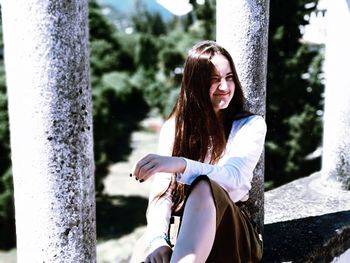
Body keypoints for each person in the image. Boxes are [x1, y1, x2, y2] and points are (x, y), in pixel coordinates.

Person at [130, 40, 266, 263]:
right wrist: (159, 241)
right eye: (214, 80)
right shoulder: (174, 128)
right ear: (195, 84)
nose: (224, 87)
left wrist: (181, 164)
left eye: (229, 77)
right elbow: (162, 194)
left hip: (231, 233)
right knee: (144, 248)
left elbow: (235, 179)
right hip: (182, 232)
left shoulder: (250, 125)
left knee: (204, 186)